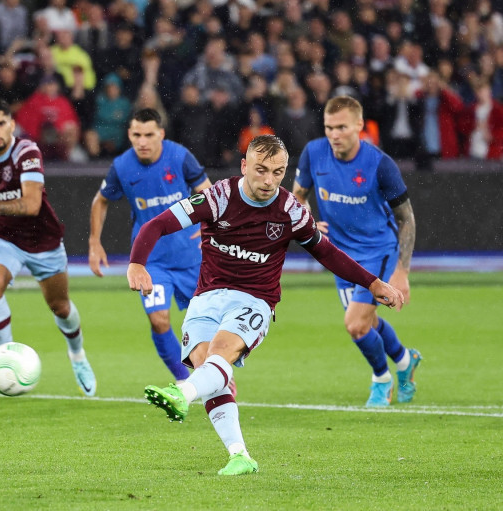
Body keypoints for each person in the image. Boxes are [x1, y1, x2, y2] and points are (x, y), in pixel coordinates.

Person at [130, 135, 405, 476]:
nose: (269, 180)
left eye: (278, 172)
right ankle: (239, 455)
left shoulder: (291, 211)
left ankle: (181, 393)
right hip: (206, 298)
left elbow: (327, 253)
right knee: (210, 372)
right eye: (260, 170)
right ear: (244, 166)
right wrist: (137, 263)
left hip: (254, 299)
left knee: (219, 355)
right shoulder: (218, 197)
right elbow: (157, 224)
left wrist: (374, 283)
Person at [0, 97, 97, 396]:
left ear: (12, 124)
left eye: (1, 123)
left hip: (43, 239)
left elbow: (31, 204)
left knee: (60, 307)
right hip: (3, 238)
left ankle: (77, 357)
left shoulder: (27, 151)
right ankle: (7, 360)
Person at [293, 96, 420, 408]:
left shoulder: (380, 165)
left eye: (341, 127)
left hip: (379, 251)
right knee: (368, 321)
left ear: (360, 127)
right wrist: (306, 219)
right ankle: (405, 361)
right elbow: (298, 196)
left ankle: (382, 379)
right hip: (340, 258)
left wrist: (401, 272)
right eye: (329, 128)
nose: (334, 134)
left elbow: (407, 219)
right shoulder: (313, 153)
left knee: (356, 323)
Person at [88, 108, 211, 383]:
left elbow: (208, 192)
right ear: (129, 134)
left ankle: (214, 375)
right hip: (151, 261)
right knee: (159, 320)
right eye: (136, 135)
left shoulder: (180, 157)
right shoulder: (122, 166)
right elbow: (100, 200)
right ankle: (184, 381)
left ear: (161, 134)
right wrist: (94, 242)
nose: (142, 141)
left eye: (148, 135)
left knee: (208, 325)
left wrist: (209, 228)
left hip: (191, 257)